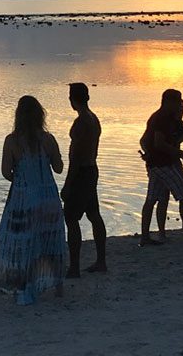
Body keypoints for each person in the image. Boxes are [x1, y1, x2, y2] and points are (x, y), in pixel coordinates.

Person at [0, 95, 66, 305]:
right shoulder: (48, 139)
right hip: (48, 197)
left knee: (22, 242)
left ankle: (23, 286)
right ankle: (57, 286)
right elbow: (59, 168)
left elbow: (6, 172)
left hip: (23, 197)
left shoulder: (12, 141)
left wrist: (20, 176)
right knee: (49, 240)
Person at [139, 90, 183, 246]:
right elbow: (157, 143)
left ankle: (145, 237)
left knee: (152, 199)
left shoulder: (174, 121)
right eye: (178, 102)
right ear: (168, 102)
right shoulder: (161, 119)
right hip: (162, 164)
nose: (180, 106)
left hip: (160, 164)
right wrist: (177, 151)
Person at [61, 83, 107, 277]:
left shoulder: (81, 122)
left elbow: (76, 158)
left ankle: (74, 267)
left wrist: (67, 184)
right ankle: (101, 261)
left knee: (71, 218)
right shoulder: (93, 119)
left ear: (72, 100)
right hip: (91, 170)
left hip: (81, 172)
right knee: (93, 214)